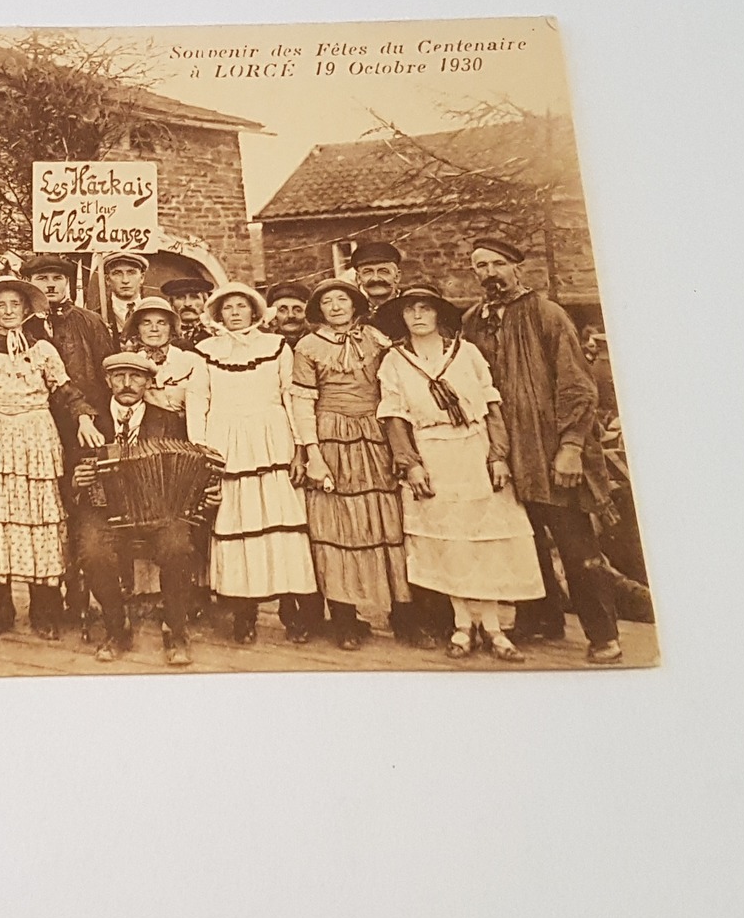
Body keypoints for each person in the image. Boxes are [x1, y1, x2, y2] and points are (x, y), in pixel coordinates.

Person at [460, 238, 623, 663]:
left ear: (517, 268)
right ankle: (543, 619)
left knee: (576, 547)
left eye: (497, 263)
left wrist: (570, 447)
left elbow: (577, 385)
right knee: (524, 541)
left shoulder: (547, 314)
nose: (489, 272)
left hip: (549, 449)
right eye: (480, 266)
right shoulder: (471, 321)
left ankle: (604, 635)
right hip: (504, 451)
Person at [376, 284, 544, 661]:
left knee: (483, 540)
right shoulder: (394, 361)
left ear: (439, 314)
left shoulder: (466, 353)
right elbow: (394, 417)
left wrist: (499, 455)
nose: (418, 316)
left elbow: (491, 405)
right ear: (401, 318)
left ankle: (494, 628)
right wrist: (411, 464)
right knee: (449, 542)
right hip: (432, 454)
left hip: (475, 449)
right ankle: (462, 626)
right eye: (410, 310)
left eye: (426, 309)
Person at [0, 276, 105, 639]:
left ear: (27, 310)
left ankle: (44, 609)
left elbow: (64, 388)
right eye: (1, 305)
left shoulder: (43, 350)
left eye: (15, 305)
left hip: (33, 437)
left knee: (37, 518)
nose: (8, 312)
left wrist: (85, 416)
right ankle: (3, 608)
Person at [70, 353, 216, 666]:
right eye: (118, 376)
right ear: (107, 381)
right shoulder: (89, 420)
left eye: (136, 377)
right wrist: (77, 479)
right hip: (104, 509)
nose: (126, 384)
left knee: (178, 547)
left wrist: (205, 493)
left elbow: (192, 465)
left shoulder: (169, 420)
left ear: (149, 382)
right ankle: (116, 626)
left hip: (159, 510)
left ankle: (175, 629)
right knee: (93, 552)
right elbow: (69, 468)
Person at [193, 282, 317, 643]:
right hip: (226, 443)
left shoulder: (276, 347)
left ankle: (293, 612)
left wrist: (298, 448)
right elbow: (199, 401)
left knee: (280, 523)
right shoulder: (206, 351)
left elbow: (289, 395)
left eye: (241, 306)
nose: (234, 313)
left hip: (271, 441)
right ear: (218, 314)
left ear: (254, 311)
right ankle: (243, 614)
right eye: (227, 307)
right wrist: (202, 452)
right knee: (236, 523)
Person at [290, 278, 410, 650]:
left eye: (342, 299)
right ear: (320, 310)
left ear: (355, 305)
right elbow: (303, 403)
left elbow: (395, 385)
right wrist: (313, 453)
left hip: (374, 435)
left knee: (385, 519)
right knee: (337, 526)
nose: (336, 306)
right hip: (331, 438)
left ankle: (403, 615)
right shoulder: (308, 346)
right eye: (328, 302)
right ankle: (345, 619)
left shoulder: (377, 339)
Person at [19, 253, 115, 626]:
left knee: (81, 513)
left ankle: (80, 598)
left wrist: (93, 423)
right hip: (35, 433)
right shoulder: (20, 329)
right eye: (42, 279)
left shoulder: (90, 323)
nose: (51, 285)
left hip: (83, 432)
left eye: (57, 278)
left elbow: (105, 379)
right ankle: (43, 603)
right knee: (40, 515)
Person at [119, 296, 205, 432]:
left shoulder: (192, 361)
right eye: (146, 323)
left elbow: (200, 407)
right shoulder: (130, 363)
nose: (154, 329)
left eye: (161, 323)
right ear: (138, 329)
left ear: (171, 328)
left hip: (187, 434)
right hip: (146, 437)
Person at [100, 251, 151, 342]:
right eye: (117, 273)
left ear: (142, 278)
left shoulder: (155, 313)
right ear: (107, 280)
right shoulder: (97, 317)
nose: (125, 280)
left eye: (131, 272)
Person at [348, 240, 404, 322]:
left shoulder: (411, 309)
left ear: (397, 277)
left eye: (383, 272)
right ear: (358, 279)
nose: (375, 278)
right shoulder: (353, 314)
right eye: (368, 272)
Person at [161, 276, 215, 351]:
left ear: (205, 302)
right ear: (171, 303)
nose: (187, 303)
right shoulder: (162, 334)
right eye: (180, 298)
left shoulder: (215, 334)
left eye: (194, 297)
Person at [264, 281, 311, 348]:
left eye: (298, 310)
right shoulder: (265, 345)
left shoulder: (318, 343)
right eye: (282, 310)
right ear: (273, 317)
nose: (290, 315)